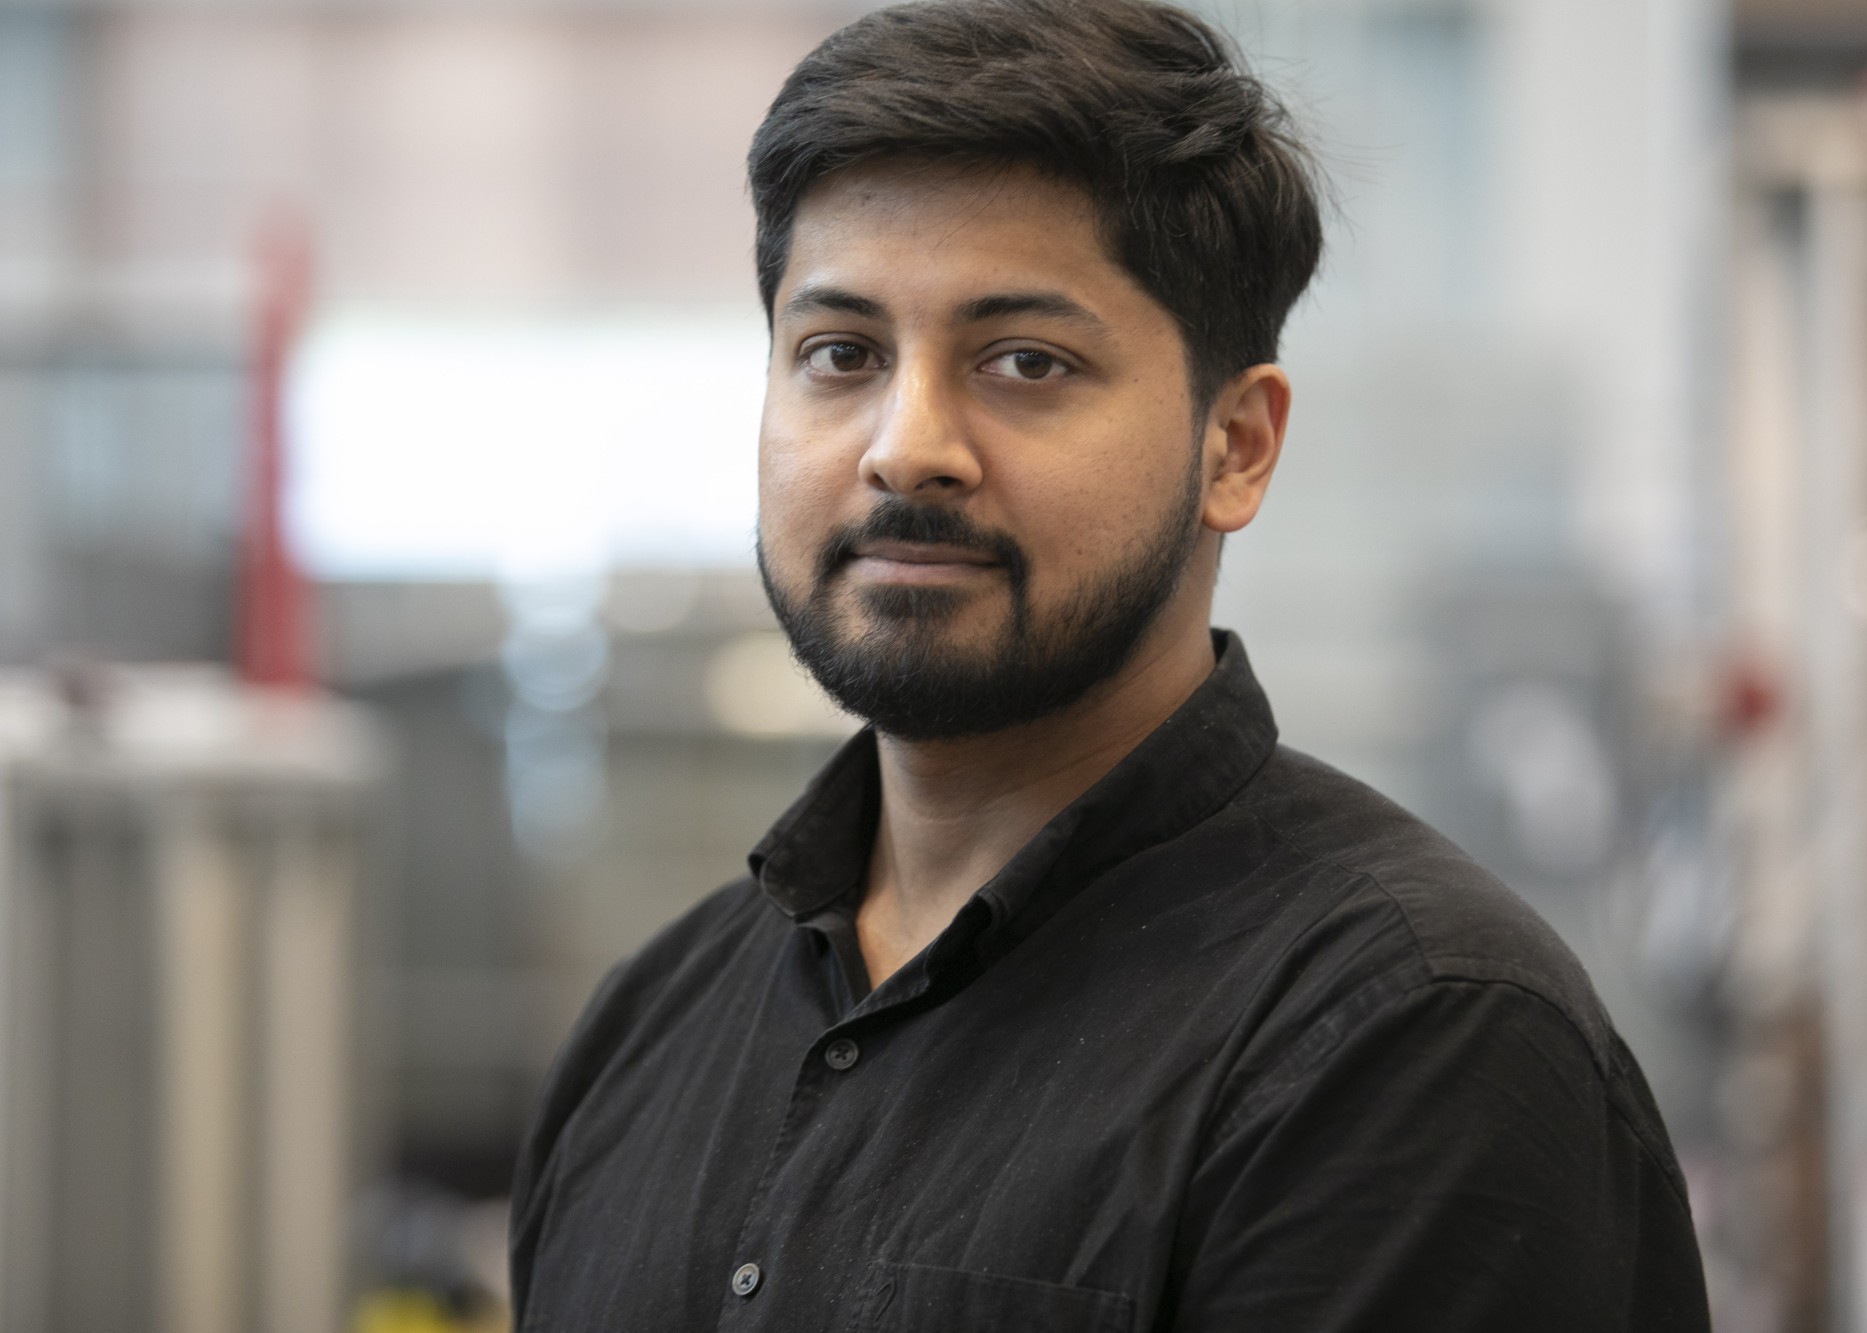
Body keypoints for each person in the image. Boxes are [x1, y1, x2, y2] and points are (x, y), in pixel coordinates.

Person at [509, 1, 1712, 1328]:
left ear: (1237, 445)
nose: (906, 447)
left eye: (1025, 360)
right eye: (840, 355)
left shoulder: (1410, 1044)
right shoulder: (651, 1028)